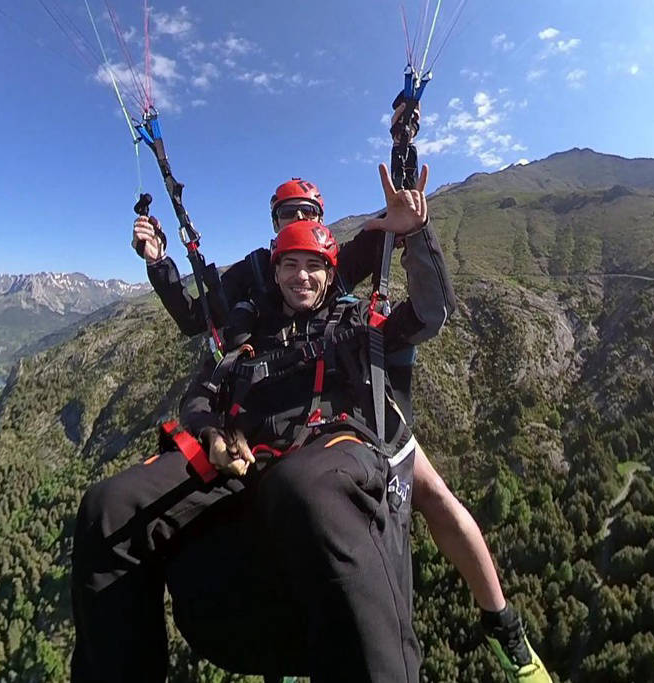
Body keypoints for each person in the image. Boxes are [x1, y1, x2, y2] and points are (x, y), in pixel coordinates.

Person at [132, 169, 550, 681]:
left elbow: (414, 286)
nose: (301, 233)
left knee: (432, 495)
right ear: (274, 224)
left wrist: (412, 223)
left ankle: (504, 627)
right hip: (276, 407)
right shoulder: (253, 274)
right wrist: (160, 264)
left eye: (309, 219)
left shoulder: (340, 258)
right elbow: (204, 320)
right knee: (282, 504)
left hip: (350, 395)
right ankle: (294, 646)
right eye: (290, 218)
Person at [72, 170, 445, 681]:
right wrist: (211, 433)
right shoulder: (246, 316)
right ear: (273, 260)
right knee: (106, 509)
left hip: (324, 447)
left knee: (308, 485)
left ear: (329, 259)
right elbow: (202, 368)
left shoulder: (352, 319)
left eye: (313, 261)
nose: (301, 274)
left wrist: (412, 232)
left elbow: (426, 310)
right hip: (243, 450)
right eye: (289, 262)